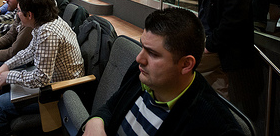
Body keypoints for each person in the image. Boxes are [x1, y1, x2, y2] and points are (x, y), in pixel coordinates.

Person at [81, 8, 244, 136]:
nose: (139, 58)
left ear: (186, 64)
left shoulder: (218, 128)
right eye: (142, 46)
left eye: (152, 53)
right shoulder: (141, 74)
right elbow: (111, 106)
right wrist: (96, 120)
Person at [0, 0, 84, 136]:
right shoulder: (45, 21)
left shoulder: (48, 33)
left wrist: (9, 76)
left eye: (18, 11)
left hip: (58, 90)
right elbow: (29, 51)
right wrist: (6, 66)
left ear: (29, 14)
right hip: (50, 81)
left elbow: (41, 79)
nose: (17, 14)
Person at [172, 0, 253, 98]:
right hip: (213, 40)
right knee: (217, 85)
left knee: (177, 69)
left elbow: (232, 21)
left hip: (221, 47)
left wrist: (210, 45)